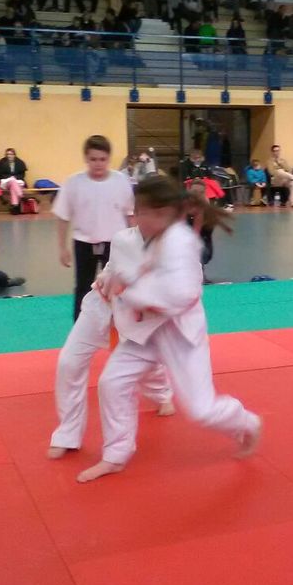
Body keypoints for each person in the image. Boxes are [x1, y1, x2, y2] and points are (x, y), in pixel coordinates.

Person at [79, 176, 262, 482]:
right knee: (112, 383)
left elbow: (179, 295)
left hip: (180, 334)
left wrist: (127, 291)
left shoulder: (181, 242)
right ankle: (116, 454)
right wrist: (112, 281)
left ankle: (246, 422)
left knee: (201, 410)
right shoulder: (143, 238)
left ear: (171, 214)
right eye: (142, 212)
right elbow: (133, 271)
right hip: (145, 332)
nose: (146, 220)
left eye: (155, 213)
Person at [48, 225, 175, 461]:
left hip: (137, 318)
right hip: (100, 306)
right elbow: (115, 272)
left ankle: (162, 394)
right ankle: (67, 433)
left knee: (147, 366)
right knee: (68, 363)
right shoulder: (123, 239)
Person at [53, 135, 135, 320]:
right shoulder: (73, 182)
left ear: (109, 158)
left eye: (102, 159)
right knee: (83, 287)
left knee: (118, 288)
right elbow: (63, 217)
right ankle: (80, 326)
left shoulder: (121, 181)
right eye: (93, 159)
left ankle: (120, 325)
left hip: (115, 243)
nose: (98, 164)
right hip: (83, 242)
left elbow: (130, 214)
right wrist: (62, 247)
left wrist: (134, 244)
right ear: (86, 158)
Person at [0, 147, 27, 214]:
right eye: (8, 154)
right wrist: (10, 177)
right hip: (6, 182)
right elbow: (0, 174)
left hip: (17, 182)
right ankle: (21, 196)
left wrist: (15, 177)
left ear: (14, 155)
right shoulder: (2, 162)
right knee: (12, 180)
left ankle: (15, 207)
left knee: (13, 186)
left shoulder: (20, 162)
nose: (9, 156)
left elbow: (22, 175)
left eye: (11, 154)